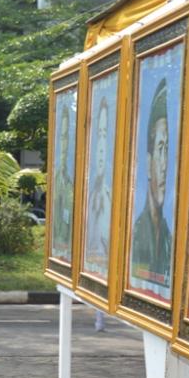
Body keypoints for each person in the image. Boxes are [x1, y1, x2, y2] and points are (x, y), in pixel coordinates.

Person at [130, 78, 173, 293]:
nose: (164, 165)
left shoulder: (167, 236)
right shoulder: (138, 234)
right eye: (160, 149)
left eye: (168, 150)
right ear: (148, 164)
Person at [84, 96, 112, 275]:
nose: (101, 147)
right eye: (98, 136)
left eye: (105, 135)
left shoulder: (111, 197)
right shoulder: (89, 195)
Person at [52, 102, 74, 260]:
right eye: (62, 137)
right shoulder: (56, 179)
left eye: (67, 137)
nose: (64, 143)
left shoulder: (72, 180)